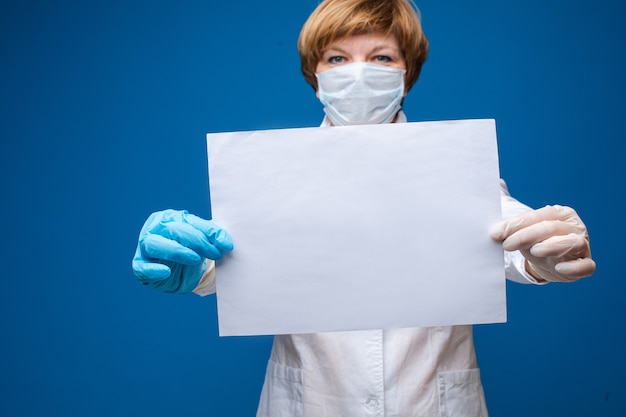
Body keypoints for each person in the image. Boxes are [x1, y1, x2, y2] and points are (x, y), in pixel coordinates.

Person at [132, 0, 596, 415]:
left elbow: (512, 234)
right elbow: (233, 261)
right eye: (337, 58)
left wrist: (544, 252)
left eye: (380, 57)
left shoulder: (455, 168)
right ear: (315, 76)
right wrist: (186, 260)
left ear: (406, 74)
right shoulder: (272, 176)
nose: (357, 73)